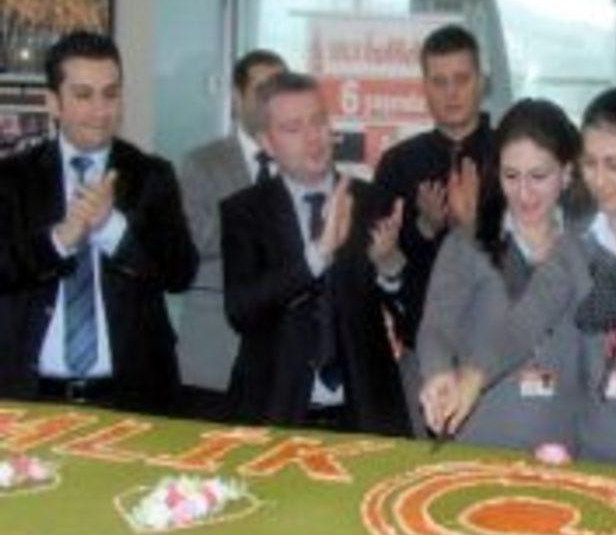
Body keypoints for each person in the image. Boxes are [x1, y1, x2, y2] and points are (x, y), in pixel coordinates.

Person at [430, 88, 616, 474]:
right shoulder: (576, 245)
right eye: (590, 163)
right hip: (597, 458)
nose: (600, 180)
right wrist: (473, 378)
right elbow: (526, 321)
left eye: (614, 165)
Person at [0, 31, 198, 413]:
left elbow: (180, 273)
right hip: (28, 398)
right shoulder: (12, 179)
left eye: (110, 94)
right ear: (52, 102)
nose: (100, 111)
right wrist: (58, 241)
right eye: (83, 95)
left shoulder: (151, 175)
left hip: (132, 400)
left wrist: (112, 229)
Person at [221, 72, 409, 435]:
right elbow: (241, 310)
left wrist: (389, 267)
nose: (313, 138)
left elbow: (411, 314)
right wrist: (318, 256)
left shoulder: (372, 200)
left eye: (318, 121)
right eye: (293, 128)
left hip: (365, 414)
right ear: (267, 142)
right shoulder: (244, 211)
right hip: (275, 411)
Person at [417, 99, 584, 450]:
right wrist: (438, 372)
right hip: (482, 439)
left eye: (538, 176)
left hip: (569, 442)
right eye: (511, 176)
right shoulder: (468, 244)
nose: (524, 193)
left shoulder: (587, 245)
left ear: (567, 172)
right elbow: (436, 328)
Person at [177, 49, 286, 418]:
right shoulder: (202, 163)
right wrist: (257, 212)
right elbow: (197, 240)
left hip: (283, 356)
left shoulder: (301, 162)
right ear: (237, 98)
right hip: (216, 351)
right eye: (262, 90)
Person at [373, 24, 493, 348]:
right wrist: (424, 229)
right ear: (424, 87)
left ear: (481, 82)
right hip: (422, 345)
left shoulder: (509, 158)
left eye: (461, 79)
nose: (451, 93)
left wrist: (471, 226)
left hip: (500, 349)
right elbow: (383, 265)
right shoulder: (398, 163)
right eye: (439, 82)